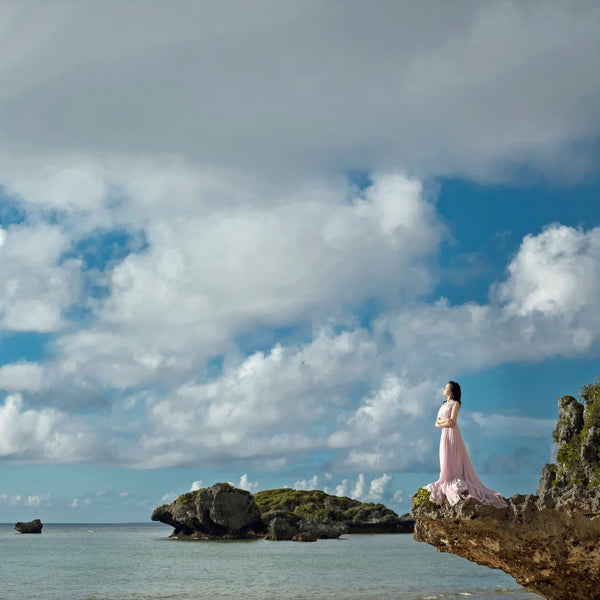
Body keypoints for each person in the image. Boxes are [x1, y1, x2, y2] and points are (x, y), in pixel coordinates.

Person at [424, 381, 507, 507]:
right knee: (444, 457)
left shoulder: (455, 403)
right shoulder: (443, 405)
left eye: (446, 387)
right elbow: (436, 423)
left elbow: (452, 421)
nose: (444, 389)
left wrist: (443, 422)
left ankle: (454, 478)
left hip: (452, 433)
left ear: (451, 391)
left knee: (453, 456)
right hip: (444, 434)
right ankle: (446, 478)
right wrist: (443, 422)